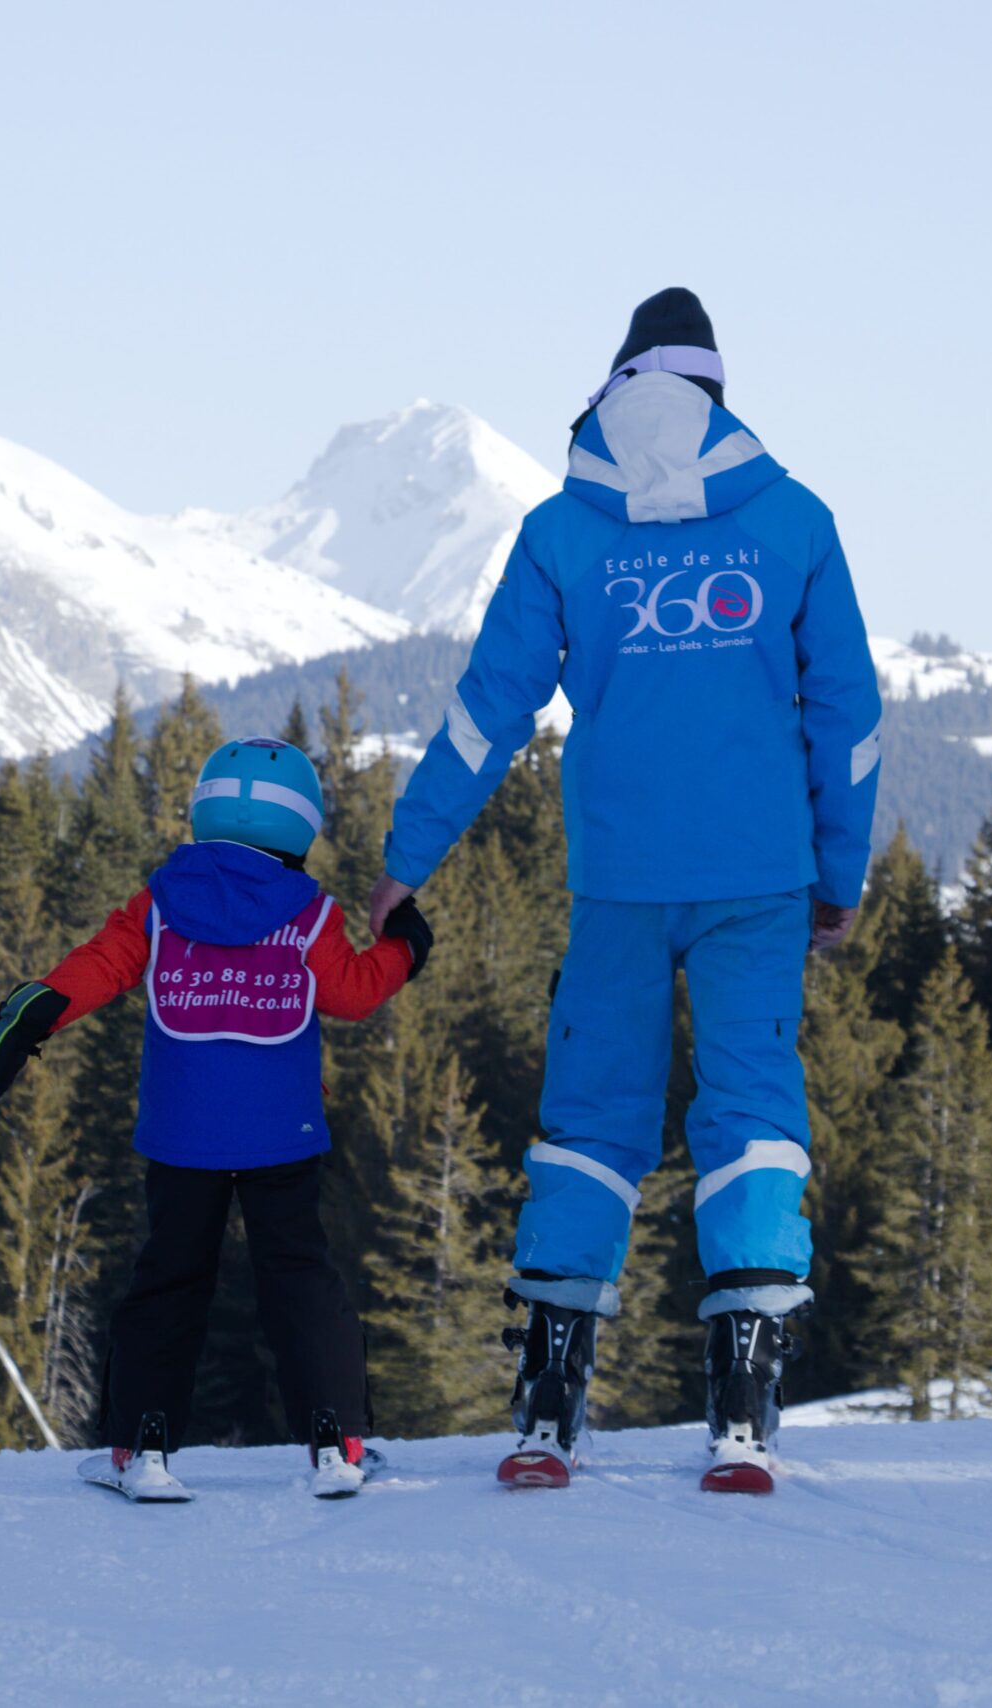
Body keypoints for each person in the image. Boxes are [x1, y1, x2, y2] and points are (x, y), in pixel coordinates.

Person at [368, 288, 882, 1492]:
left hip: (618, 882)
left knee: (592, 1118)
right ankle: (743, 1409)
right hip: (760, 879)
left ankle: (549, 1406)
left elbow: (484, 710)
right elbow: (847, 719)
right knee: (750, 1114)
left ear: (614, 384)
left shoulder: (562, 531)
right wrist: (838, 870)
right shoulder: (794, 520)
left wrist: (407, 857)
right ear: (714, 391)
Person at [0, 735, 433, 1501]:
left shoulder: (161, 905)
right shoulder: (307, 915)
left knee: (170, 1283)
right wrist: (406, 948)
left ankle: (141, 1453)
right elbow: (353, 994)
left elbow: (99, 968)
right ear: (301, 822)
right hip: (283, 1135)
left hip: (183, 1137)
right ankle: (334, 1447)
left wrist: (34, 1012)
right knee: (301, 1279)